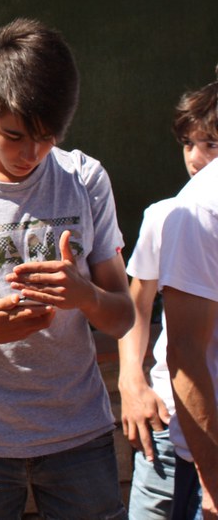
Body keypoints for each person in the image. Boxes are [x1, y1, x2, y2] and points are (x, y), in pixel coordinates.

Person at [0, 18, 134, 519]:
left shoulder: (84, 178)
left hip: (79, 436)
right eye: (14, 135)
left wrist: (85, 296)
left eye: (47, 137)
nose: (31, 154)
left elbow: (122, 316)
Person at [118, 75, 218, 520]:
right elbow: (135, 308)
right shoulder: (170, 214)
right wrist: (131, 382)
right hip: (168, 424)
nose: (195, 157)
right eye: (188, 144)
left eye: (210, 144)